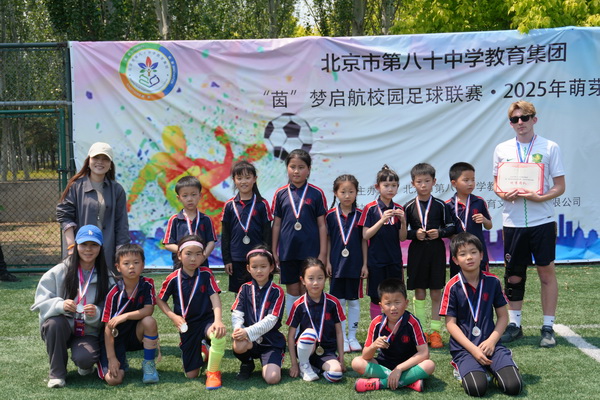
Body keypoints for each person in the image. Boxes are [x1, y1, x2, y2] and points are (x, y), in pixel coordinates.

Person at [493, 101, 565, 348]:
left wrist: (540, 197)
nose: (520, 123)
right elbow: (497, 184)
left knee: (546, 272)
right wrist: (504, 193)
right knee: (513, 275)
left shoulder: (550, 147)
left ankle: (548, 327)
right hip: (512, 222)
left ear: (535, 119)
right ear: (510, 123)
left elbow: (560, 186)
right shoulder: (502, 149)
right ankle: (515, 325)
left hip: (542, 220)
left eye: (525, 117)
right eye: (515, 119)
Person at [440, 233, 523, 397]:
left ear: (481, 255)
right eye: (463, 254)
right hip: (465, 349)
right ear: (455, 260)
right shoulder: (452, 286)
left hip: (491, 345)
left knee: (514, 387)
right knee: (477, 389)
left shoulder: (493, 282)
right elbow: (450, 324)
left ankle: (497, 365)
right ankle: (461, 366)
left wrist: (492, 341)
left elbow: (503, 317)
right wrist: (473, 349)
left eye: (473, 252)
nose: (469, 257)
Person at [31, 225, 113, 388]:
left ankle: (85, 364)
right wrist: (60, 305)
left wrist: (97, 312)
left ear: (100, 247)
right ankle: (57, 374)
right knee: (54, 323)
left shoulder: (107, 276)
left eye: (94, 245)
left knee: (85, 359)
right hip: (62, 327)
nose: (88, 249)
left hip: (88, 330)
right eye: (84, 244)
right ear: (76, 246)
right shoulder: (59, 271)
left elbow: (112, 308)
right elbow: (40, 302)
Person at [156, 235, 226, 389]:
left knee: (217, 334)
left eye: (198, 254)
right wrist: (173, 316)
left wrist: (218, 320)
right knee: (191, 374)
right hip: (187, 326)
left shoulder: (206, 274)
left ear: (203, 256)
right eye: (188, 254)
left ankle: (213, 373)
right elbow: (160, 300)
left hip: (206, 321)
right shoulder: (173, 278)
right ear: (179, 255)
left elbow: (215, 298)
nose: (193, 258)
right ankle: (203, 350)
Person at [56, 142, 130, 274]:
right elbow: (65, 216)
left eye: (105, 159)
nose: (100, 162)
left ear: (110, 164)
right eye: (96, 157)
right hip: (81, 250)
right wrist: (72, 247)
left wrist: (121, 252)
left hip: (108, 251)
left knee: (107, 284)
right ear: (88, 160)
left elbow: (121, 224)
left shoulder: (117, 190)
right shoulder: (75, 186)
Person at [352, 278, 435, 393]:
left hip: (408, 366)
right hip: (383, 365)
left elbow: (424, 353)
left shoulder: (412, 322)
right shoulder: (376, 323)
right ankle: (407, 382)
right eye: (388, 303)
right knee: (356, 362)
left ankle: (380, 383)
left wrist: (399, 368)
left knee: (429, 365)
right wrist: (374, 346)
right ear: (381, 306)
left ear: (406, 303)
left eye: (397, 302)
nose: (393, 308)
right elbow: (365, 356)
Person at [271, 149, 328, 316]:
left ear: (308, 170)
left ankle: (310, 324)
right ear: (287, 168)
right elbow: (276, 225)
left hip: (310, 251)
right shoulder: (280, 194)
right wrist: (274, 251)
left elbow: (322, 225)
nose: (296, 171)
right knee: (293, 289)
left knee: (308, 288)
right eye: (293, 167)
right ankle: (294, 326)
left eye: (301, 167)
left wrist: (323, 253)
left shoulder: (316, 193)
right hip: (288, 251)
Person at [404, 163, 455, 349]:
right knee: (419, 291)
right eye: (419, 182)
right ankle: (421, 331)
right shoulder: (408, 206)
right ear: (413, 184)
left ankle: (435, 331)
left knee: (436, 291)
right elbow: (402, 232)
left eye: (427, 181)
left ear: (434, 182)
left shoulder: (441, 205)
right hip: (417, 252)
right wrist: (414, 234)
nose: (423, 185)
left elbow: (452, 227)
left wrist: (440, 233)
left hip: (436, 252)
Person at [99, 244, 159, 385]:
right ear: (118, 267)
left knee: (149, 321)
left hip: (135, 336)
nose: (131, 267)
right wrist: (112, 358)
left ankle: (149, 365)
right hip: (115, 339)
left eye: (136, 263)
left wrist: (125, 316)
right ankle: (116, 360)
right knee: (113, 380)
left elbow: (148, 310)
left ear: (143, 265)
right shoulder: (113, 292)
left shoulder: (147, 284)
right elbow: (108, 327)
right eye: (126, 263)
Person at [358, 165, 407, 320]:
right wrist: (382, 220)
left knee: (396, 294)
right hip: (376, 262)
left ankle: (394, 325)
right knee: (376, 296)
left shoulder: (399, 209)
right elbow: (365, 235)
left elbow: (402, 238)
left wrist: (403, 222)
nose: (390, 189)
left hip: (394, 260)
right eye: (386, 185)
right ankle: (377, 326)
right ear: (377, 187)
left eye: (394, 185)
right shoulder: (370, 208)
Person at [231, 246, 286, 384]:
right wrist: (238, 329)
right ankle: (247, 363)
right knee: (238, 343)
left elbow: (271, 320)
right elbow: (237, 313)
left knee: (272, 378)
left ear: (271, 267)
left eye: (263, 266)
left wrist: (247, 331)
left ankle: (274, 357)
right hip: (249, 340)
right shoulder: (244, 288)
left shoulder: (277, 292)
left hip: (270, 342)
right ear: (248, 268)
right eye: (254, 267)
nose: (259, 270)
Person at [326, 174, 368, 353]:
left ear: (357, 192)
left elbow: (364, 241)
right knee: (339, 302)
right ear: (336, 193)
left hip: (355, 265)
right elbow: (328, 240)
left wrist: (364, 264)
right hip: (336, 265)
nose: (347, 195)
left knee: (354, 302)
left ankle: (352, 337)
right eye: (343, 192)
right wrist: (327, 262)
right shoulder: (330, 216)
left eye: (351, 191)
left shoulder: (361, 215)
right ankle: (341, 337)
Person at [286, 258, 345, 382]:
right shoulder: (298, 305)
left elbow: (339, 332)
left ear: (326, 279)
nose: (315, 283)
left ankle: (316, 368)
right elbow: (291, 336)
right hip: (305, 349)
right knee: (309, 333)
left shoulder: (333, 303)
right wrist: (294, 364)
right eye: (311, 278)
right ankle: (304, 364)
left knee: (336, 374)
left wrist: (341, 359)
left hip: (326, 352)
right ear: (303, 280)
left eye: (320, 278)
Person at [221, 161, 273, 293]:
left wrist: (268, 256)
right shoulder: (229, 205)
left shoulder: (262, 204)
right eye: (239, 178)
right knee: (239, 294)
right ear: (234, 180)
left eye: (247, 177)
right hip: (236, 258)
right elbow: (225, 235)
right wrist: (227, 260)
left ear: (254, 179)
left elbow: (268, 234)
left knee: (260, 291)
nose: (243, 181)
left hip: (259, 258)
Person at [446, 162, 492, 277]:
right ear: (454, 183)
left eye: (473, 180)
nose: (470, 183)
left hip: (478, 248)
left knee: (482, 278)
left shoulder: (479, 201)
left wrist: (484, 220)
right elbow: (446, 230)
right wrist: (455, 238)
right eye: (466, 180)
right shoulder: (448, 205)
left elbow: (489, 225)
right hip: (458, 250)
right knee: (458, 279)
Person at [163, 176, 216, 269]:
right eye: (185, 196)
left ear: (200, 196)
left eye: (193, 194)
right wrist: (185, 253)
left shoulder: (206, 219)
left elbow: (211, 242)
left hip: (202, 265)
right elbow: (168, 244)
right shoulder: (175, 220)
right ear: (179, 198)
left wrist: (202, 256)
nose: (190, 199)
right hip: (180, 265)